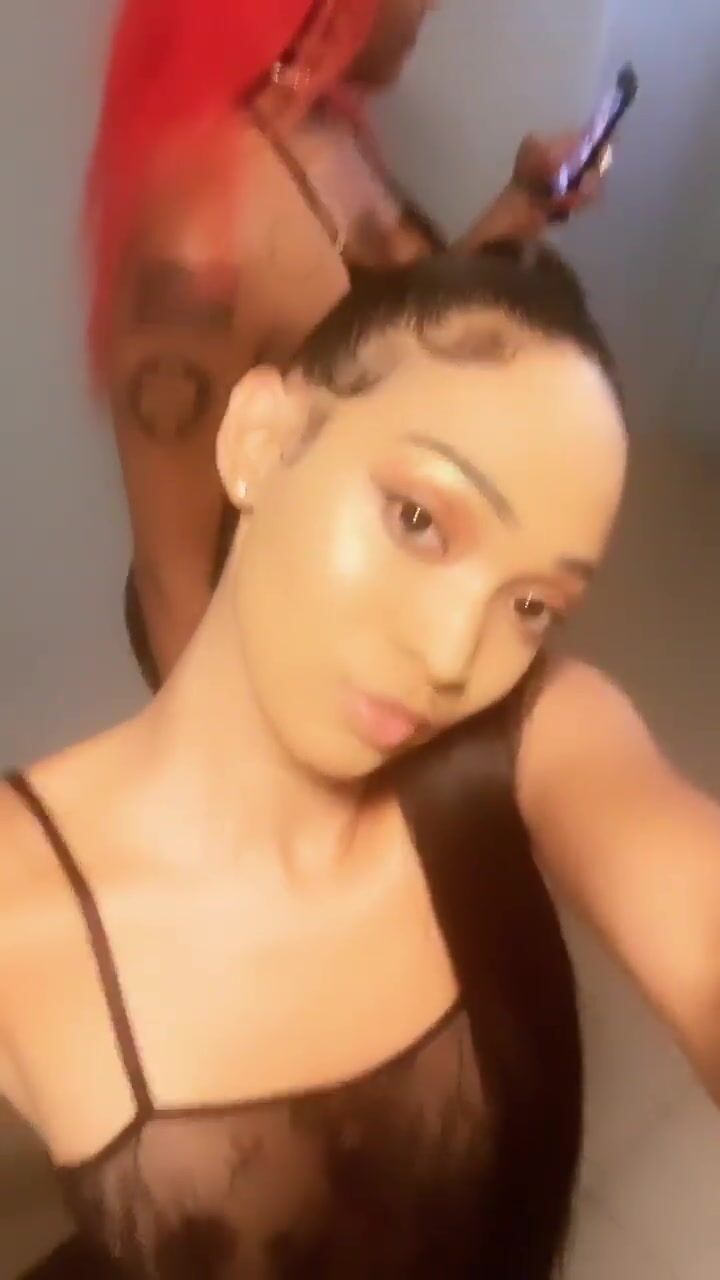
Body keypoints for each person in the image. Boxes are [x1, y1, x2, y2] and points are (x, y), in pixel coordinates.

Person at [5, 249, 719, 1280]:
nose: (451, 657)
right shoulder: (17, 901)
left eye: (532, 605)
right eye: (419, 520)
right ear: (260, 442)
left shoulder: (534, 728)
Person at [86, 0, 609, 689]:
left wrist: (523, 205)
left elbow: (387, 338)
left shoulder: (321, 125)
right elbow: (172, 578)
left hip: (376, 607)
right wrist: (239, 757)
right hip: (268, 659)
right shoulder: (195, 244)